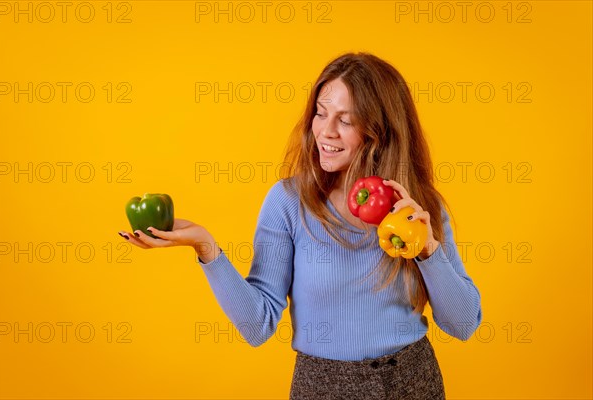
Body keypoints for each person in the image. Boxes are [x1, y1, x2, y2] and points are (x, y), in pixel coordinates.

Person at [118, 52, 483, 400]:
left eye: (346, 120)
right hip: (323, 386)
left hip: (412, 380)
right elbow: (258, 326)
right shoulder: (289, 203)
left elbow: (463, 324)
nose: (326, 131)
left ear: (380, 131)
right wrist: (205, 248)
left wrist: (427, 250)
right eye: (321, 114)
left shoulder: (417, 207)